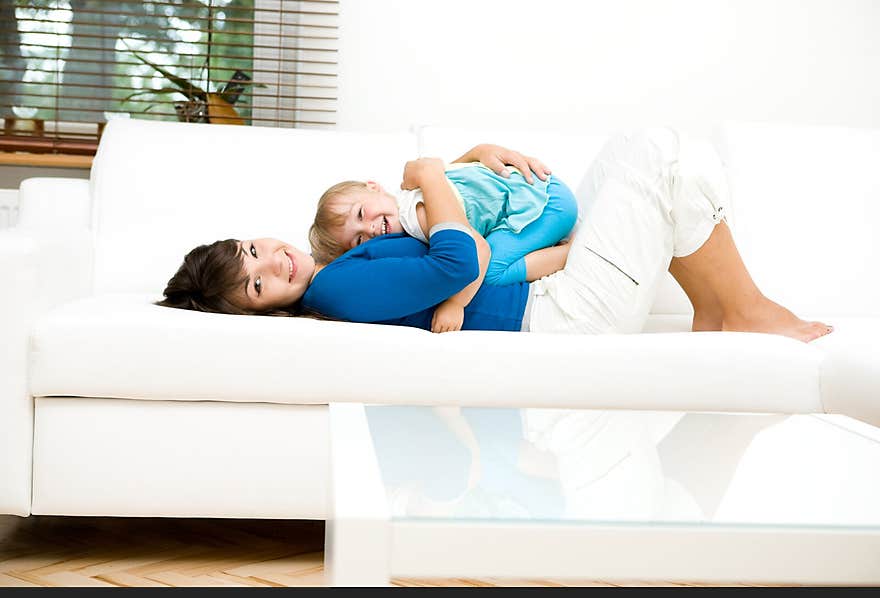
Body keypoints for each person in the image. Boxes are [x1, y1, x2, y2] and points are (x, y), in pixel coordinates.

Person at [160, 133, 832, 342]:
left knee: (638, 150)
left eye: (253, 250)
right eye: (255, 285)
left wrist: (469, 157)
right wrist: (427, 169)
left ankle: (718, 313)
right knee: (661, 158)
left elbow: (438, 224)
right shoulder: (335, 289)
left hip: (552, 294)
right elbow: (455, 256)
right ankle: (740, 311)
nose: (271, 263)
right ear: (263, 308)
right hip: (557, 312)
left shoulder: (341, 264)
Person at [307, 159, 578, 330]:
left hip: (544, 202)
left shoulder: (417, 215)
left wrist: (456, 304)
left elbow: (478, 250)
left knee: (493, 272)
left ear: (373, 186)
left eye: (360, 214)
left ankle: (568, 253)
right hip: (541, 194)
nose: (370, 228)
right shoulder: (411, 197)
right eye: (359, 239)